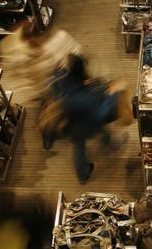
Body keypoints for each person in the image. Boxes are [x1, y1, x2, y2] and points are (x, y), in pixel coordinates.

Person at [50, 55, 131, 183]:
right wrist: (112, 94)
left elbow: (54, 85)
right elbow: (100, 113)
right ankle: (111, 146)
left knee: (79, 146)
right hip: (86, 125)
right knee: (93, 136)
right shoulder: (84, 96)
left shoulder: (63, 78)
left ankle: (82, 174)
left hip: (69, 123)